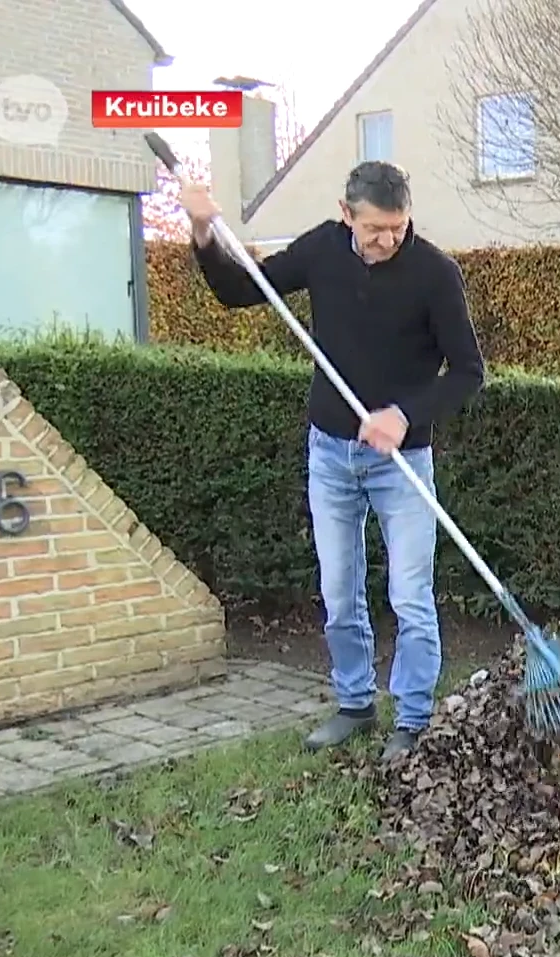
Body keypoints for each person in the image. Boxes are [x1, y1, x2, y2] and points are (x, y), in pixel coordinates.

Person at [178, 161, 487, 762]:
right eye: (375, 228)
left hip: (402, 462)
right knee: (340, 591)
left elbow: (470, 373)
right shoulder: (322, 249)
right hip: (331, 454)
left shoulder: (434, 273)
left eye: (397, 227)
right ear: (347, 215)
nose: (388, 239)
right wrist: (202, 231)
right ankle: (354, 704)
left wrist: (404, 413)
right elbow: (239, 291)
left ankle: (414, 719)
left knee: (410, 594)